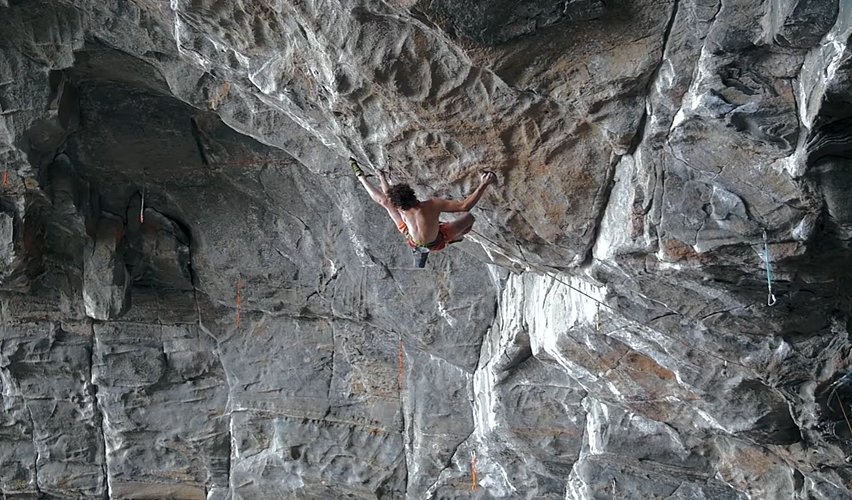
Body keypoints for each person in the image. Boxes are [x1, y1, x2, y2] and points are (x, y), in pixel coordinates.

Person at [350, 158, 496, 267]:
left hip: (411, 236)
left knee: (385, 203)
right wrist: (484, 184)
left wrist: (382, 178)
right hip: (437, 239)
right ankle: (453, 238)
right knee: (469, 218)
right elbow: (464, 206)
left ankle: (360, 176)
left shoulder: (401, 208)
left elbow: (387, 197)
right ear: (413, 195)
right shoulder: (432, 205)